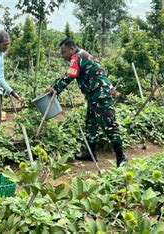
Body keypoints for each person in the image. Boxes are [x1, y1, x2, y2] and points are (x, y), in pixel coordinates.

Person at [46, 38, 128, 167]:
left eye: (63, 52)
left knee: (109, 125)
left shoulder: (77, 56)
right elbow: (68, 73)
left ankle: (121, 158)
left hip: (101, 94)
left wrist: (55, 89)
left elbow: (70, 75)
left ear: (72, 49)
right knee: (91, 124)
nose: (62, 55)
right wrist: (53, 85)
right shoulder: (81, 56)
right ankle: (91, 154)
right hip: (93, 95)